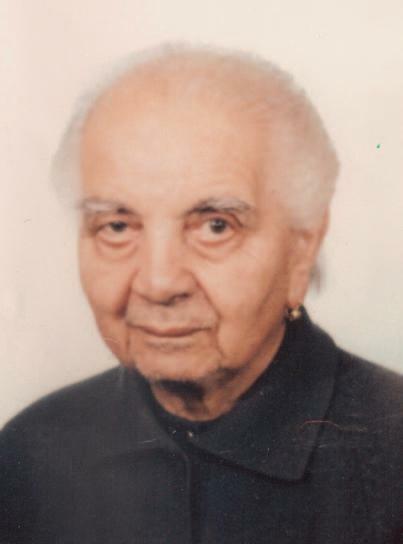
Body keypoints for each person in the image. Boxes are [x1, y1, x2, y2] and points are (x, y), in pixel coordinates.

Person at [1, 43, 402, 544]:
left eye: (216, 226)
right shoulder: (26, 456)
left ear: (302, 248)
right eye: (117, 226)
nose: (159, 282)